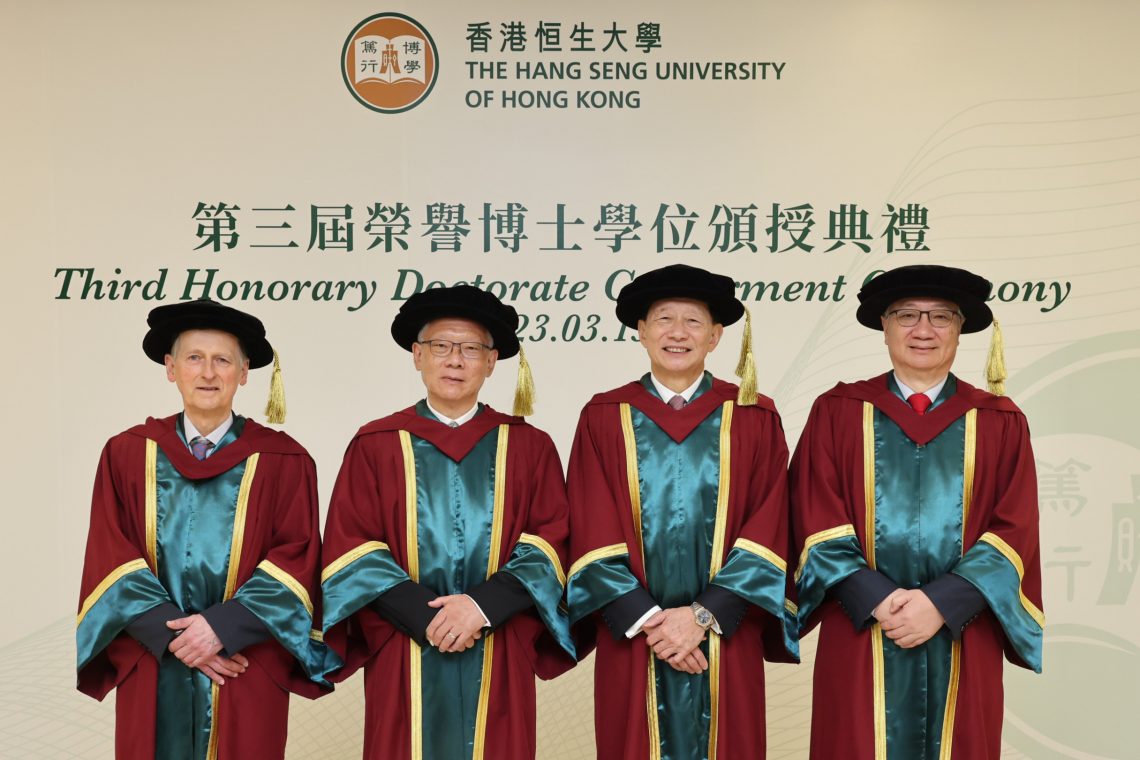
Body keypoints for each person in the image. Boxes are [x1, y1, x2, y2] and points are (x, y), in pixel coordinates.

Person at [790, 264, 1043, 759]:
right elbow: (812, 514)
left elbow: (1015, 528)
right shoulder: (838, 412)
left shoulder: (999, 420)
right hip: (862, 622)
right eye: (906, 315)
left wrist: (942, 603)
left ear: (961, 328)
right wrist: (878, 598)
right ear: (883, 325)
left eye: (941, 317)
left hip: (963, 628)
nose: (923, 330)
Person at [320, 285, 575, 760]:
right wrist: (429, 616)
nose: (455, 360)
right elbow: (350, 545)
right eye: (441, 346)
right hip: (404, 644)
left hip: (497, 640)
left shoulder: (529, 446)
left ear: (491, 361)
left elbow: (551, 542)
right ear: (418, 356)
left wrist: (479, 608)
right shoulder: (376, 443)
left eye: (471, 349)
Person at [75, 298, 329, 759]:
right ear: (171, 368)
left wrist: (223, 628)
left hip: (245, 660)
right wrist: (178, 637)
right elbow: (110, 553)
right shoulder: (127, 454)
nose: (208, 373)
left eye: (223, 360)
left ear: (245, 372)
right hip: (154, 655)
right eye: (194, 358)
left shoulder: (284, 460)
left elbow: (299, 555)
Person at [565, 264, 798, 760]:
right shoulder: (604, 416)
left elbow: (773, 522)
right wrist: (650, 620)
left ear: (716, 336)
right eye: (663, 319)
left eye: (693, 322)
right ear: (641, 332)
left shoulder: (755, 415)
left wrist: (704, 615)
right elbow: (588, 524)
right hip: (633, 635)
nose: (677, 333)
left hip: (723, 632)